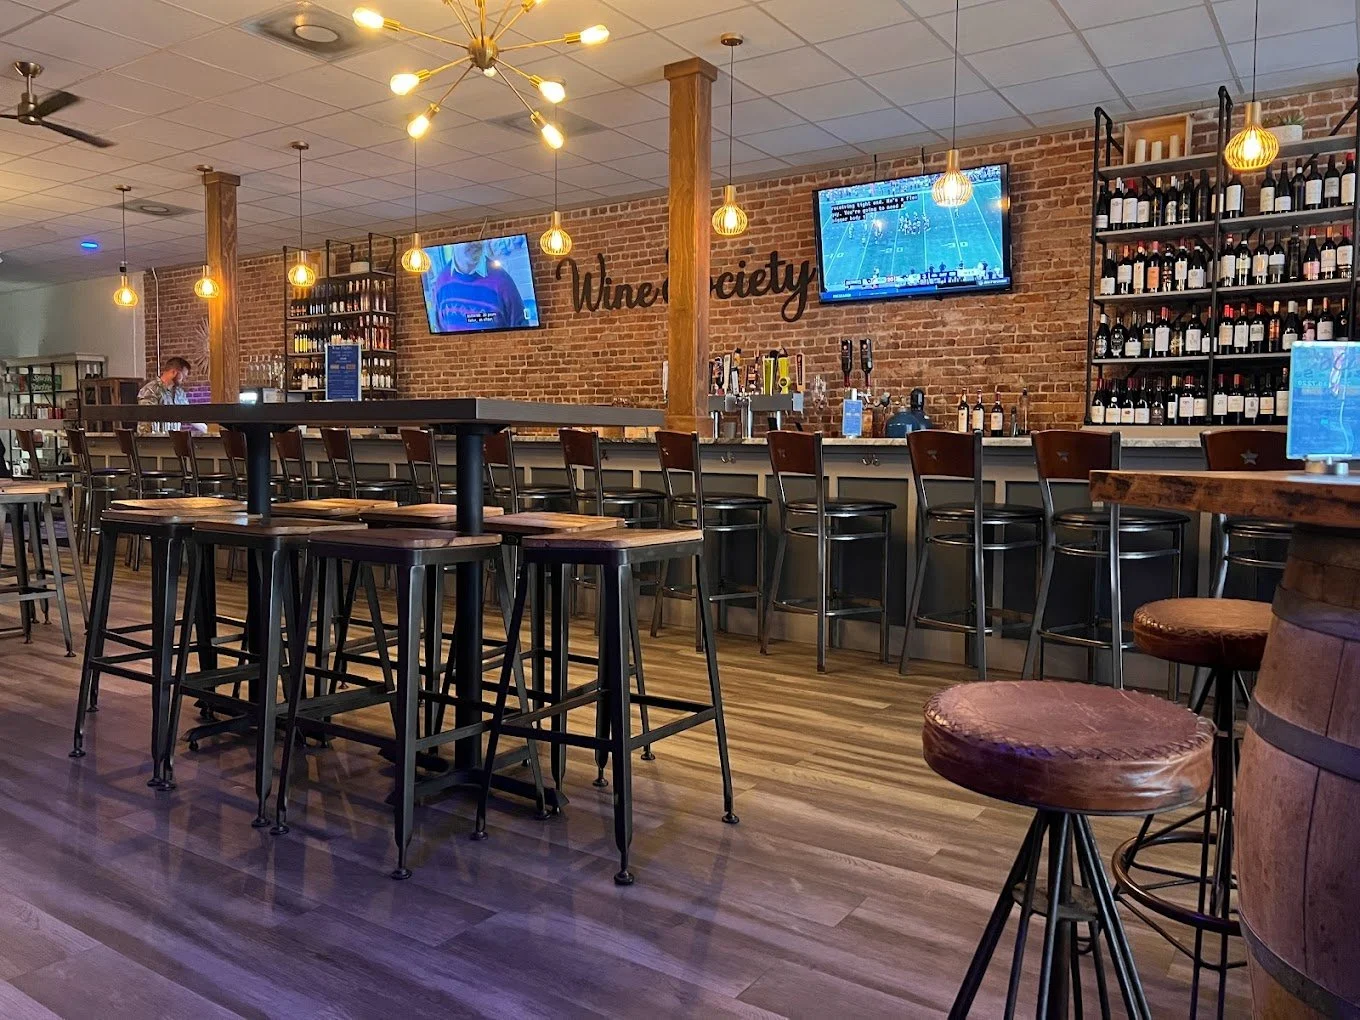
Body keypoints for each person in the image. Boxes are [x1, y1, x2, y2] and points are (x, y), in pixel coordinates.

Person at [432, 240, 526, 331]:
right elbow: (440, 332)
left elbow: (522, 331)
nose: (476, 243)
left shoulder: (503, 281)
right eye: (468, 239)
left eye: (479, 240)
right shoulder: (441, 282)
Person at [138, 356, 205, 434]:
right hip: (155, 442)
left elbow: (188, 414)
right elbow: (146, 421)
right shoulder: (150, 390)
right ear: (173, 372)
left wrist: (207, 430)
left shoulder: (180, 393)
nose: (184, 380)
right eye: (183, 376)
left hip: (174, 442)